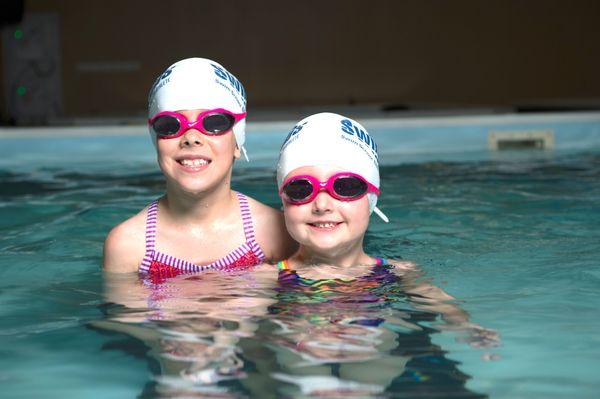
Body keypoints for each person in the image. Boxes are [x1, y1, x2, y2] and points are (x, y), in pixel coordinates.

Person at [264, 112, 499, 396]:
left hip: (374, 358)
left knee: (376, 346)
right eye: (301, 188)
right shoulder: (266, 277)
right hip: (301, 362)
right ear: (283, 199)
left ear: (372, 198)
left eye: (346, 187)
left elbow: (446, 308)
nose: (322, 204)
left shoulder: (400, 271)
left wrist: (467, 327)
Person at [103, 57, 296, 277]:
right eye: (170, 125)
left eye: (213, 123)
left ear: (237, 143)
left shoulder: (275, 232)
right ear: (156, 142)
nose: (192, 138)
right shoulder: (128, 246)